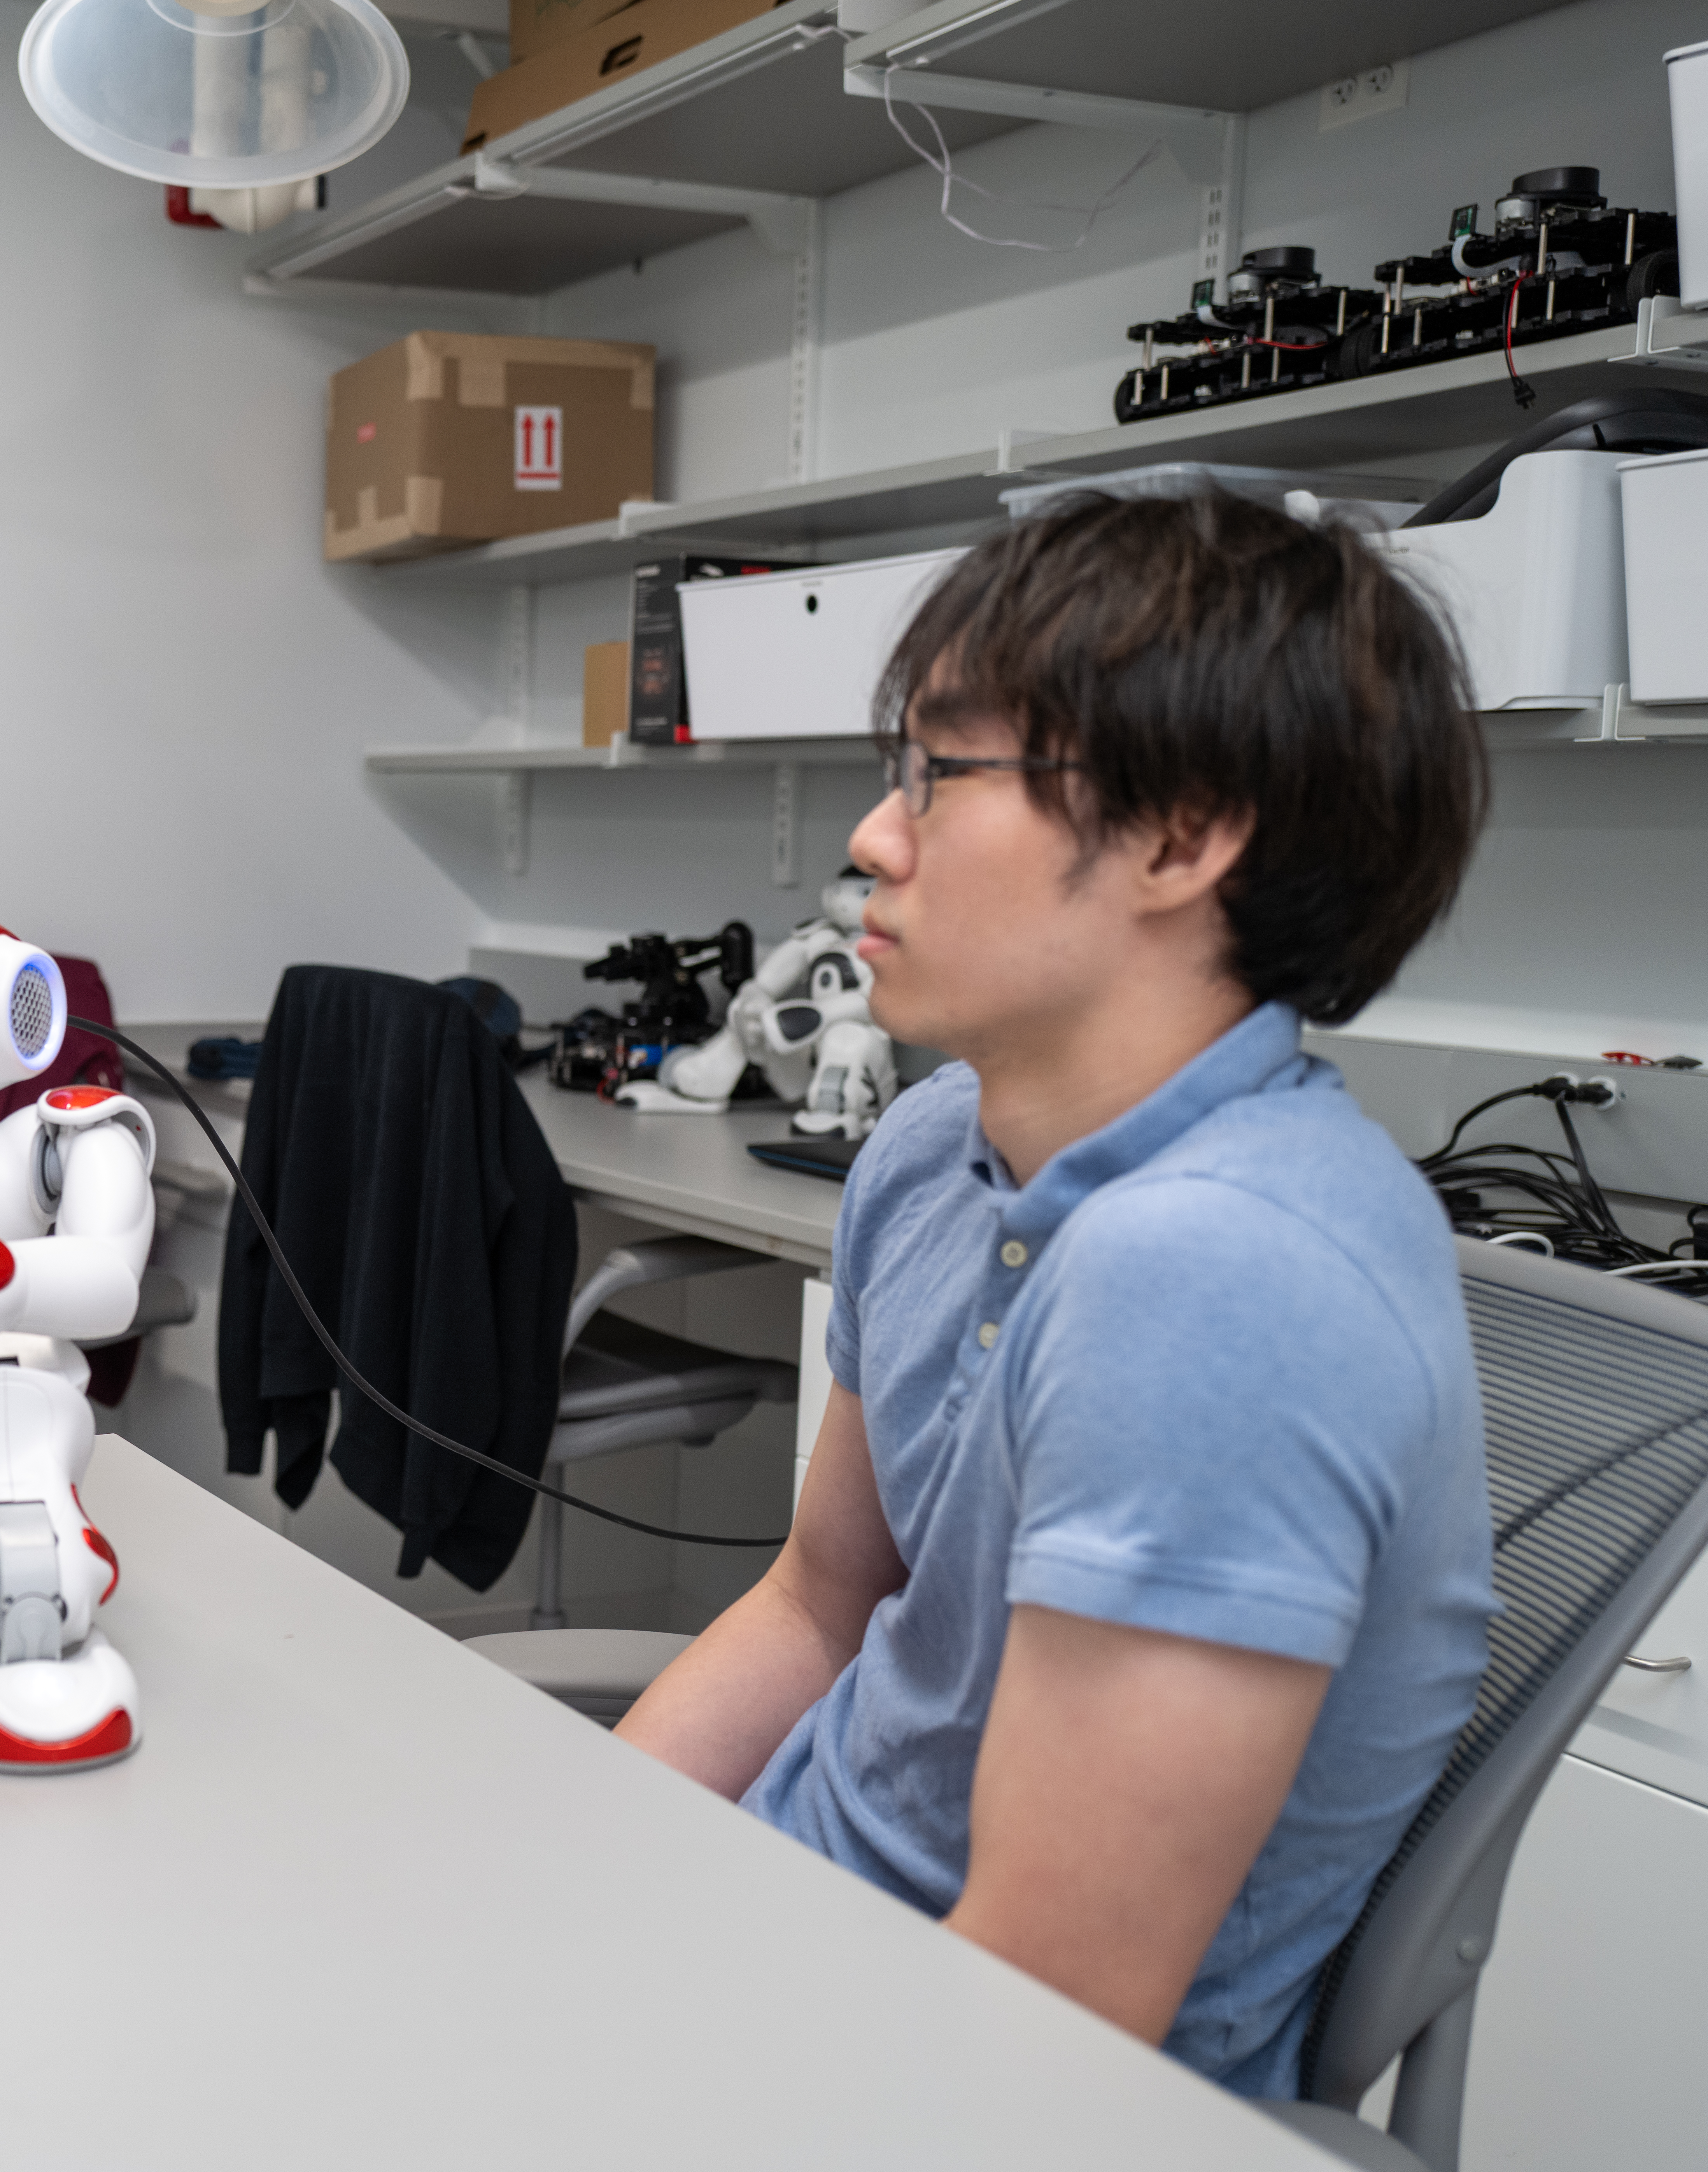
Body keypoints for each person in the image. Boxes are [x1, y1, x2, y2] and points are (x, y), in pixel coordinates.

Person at [617, 492, 1498, 2098]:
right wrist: (574, 1871)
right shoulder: (946, 1135)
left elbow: (1040, 2033)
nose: (874, 838)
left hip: (919, 2079)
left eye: (939, 778)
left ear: (1180, 835)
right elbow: (818, 1605)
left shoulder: (1223, 1275)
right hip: (764, 1942)